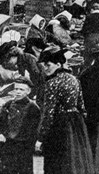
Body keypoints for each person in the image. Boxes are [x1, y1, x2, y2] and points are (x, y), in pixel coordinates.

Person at [37, 46, 95, 174]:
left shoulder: (52, 83)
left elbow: (49, 113)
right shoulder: (75, 79)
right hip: (76, 124)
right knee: (75, 160)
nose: (45, 69)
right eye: (44, 66)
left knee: (57, 163)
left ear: (58, 64)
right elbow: (82, 107)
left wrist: (41, 137)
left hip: (59, 125)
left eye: (48, 65)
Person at [0, 77, 41, 174]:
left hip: (24, 148)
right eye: (16, 89)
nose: (18, 92)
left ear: (28, 91)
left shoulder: (33, 108)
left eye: (21, 89)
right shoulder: (8, 104)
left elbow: (35, 130)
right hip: (7, 145)